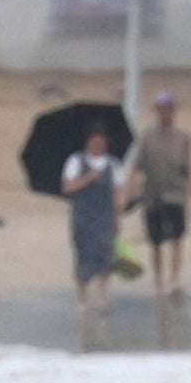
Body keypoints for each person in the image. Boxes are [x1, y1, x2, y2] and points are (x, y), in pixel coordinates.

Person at [130, 91, 191, 345]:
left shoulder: (184, 138)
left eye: (168, 108)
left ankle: (174, 278)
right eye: (160, 108)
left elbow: (187, 166)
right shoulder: (146, 137)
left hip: (176, 193)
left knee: (178, 237)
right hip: (153, 193)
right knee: (156, 240)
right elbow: (138, 164)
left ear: (173, 110)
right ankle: (158, 280)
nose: (164, 112)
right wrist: (131, 184)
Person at [58, 115, 128, 351]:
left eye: (101, 141)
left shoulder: (113, 165)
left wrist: (118, 216)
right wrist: (88, 178)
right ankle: (82, 298)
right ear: (88, 142)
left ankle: (102, 296)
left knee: (105, 257)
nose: (98, 145)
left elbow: (118, 191)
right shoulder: (76, 161)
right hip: (83, 217)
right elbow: (67, 186)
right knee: (83, 256)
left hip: (105, 217)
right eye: (94, 141)